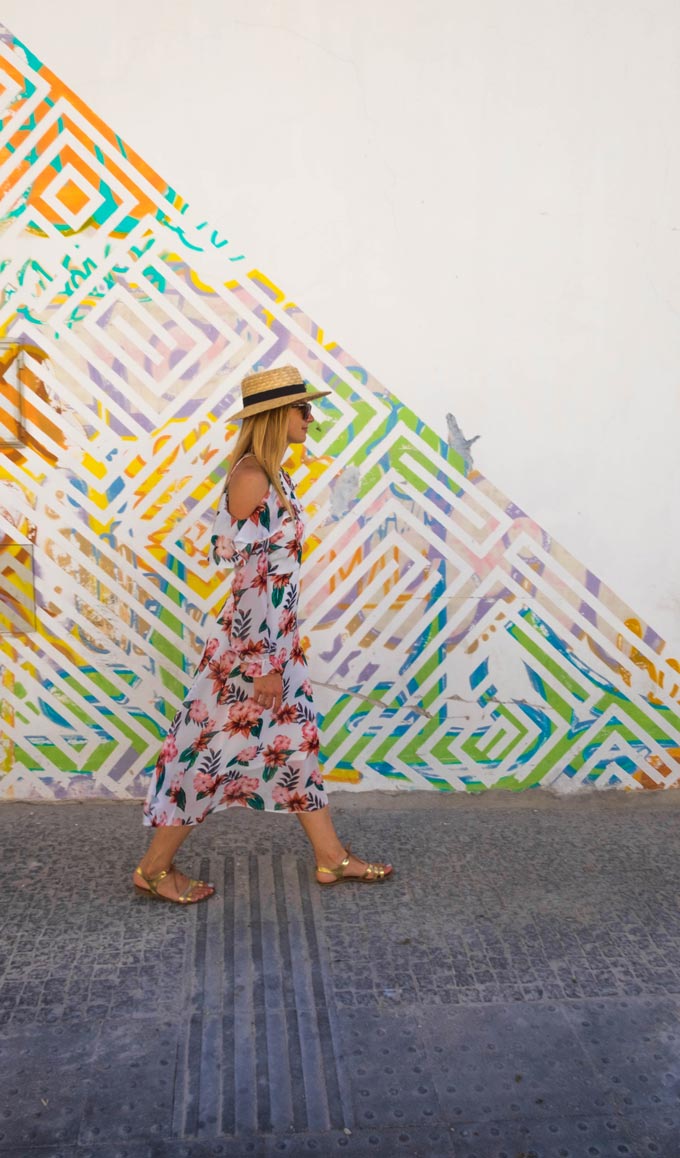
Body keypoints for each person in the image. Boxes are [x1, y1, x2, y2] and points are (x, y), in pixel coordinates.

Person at [132, 365, 393, 903]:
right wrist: (263, 664)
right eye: (303, 408)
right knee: (205, 757)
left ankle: (331, 858)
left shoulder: (275, 474)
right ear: (277, 416)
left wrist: (279, 653)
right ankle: (154, 869)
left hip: (276, 644)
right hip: (253, 652)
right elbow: (249, 579)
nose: (310, 417)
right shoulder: (252, 476)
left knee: (294, 749)